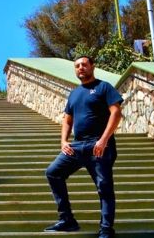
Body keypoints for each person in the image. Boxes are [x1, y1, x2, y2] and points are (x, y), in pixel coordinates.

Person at [44, 55, 123, 238]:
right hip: (77, 146)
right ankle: (67, 220)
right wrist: (64, 141)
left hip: (98, 145)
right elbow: (67, 119)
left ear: (92, 66)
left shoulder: (104, 87)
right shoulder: (74, 93)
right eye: (77, 66)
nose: (81, 68)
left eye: (84, 65)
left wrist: (103, 139)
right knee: (53, 172)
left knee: (104, 186)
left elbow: (116, 113)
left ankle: (106, 229)